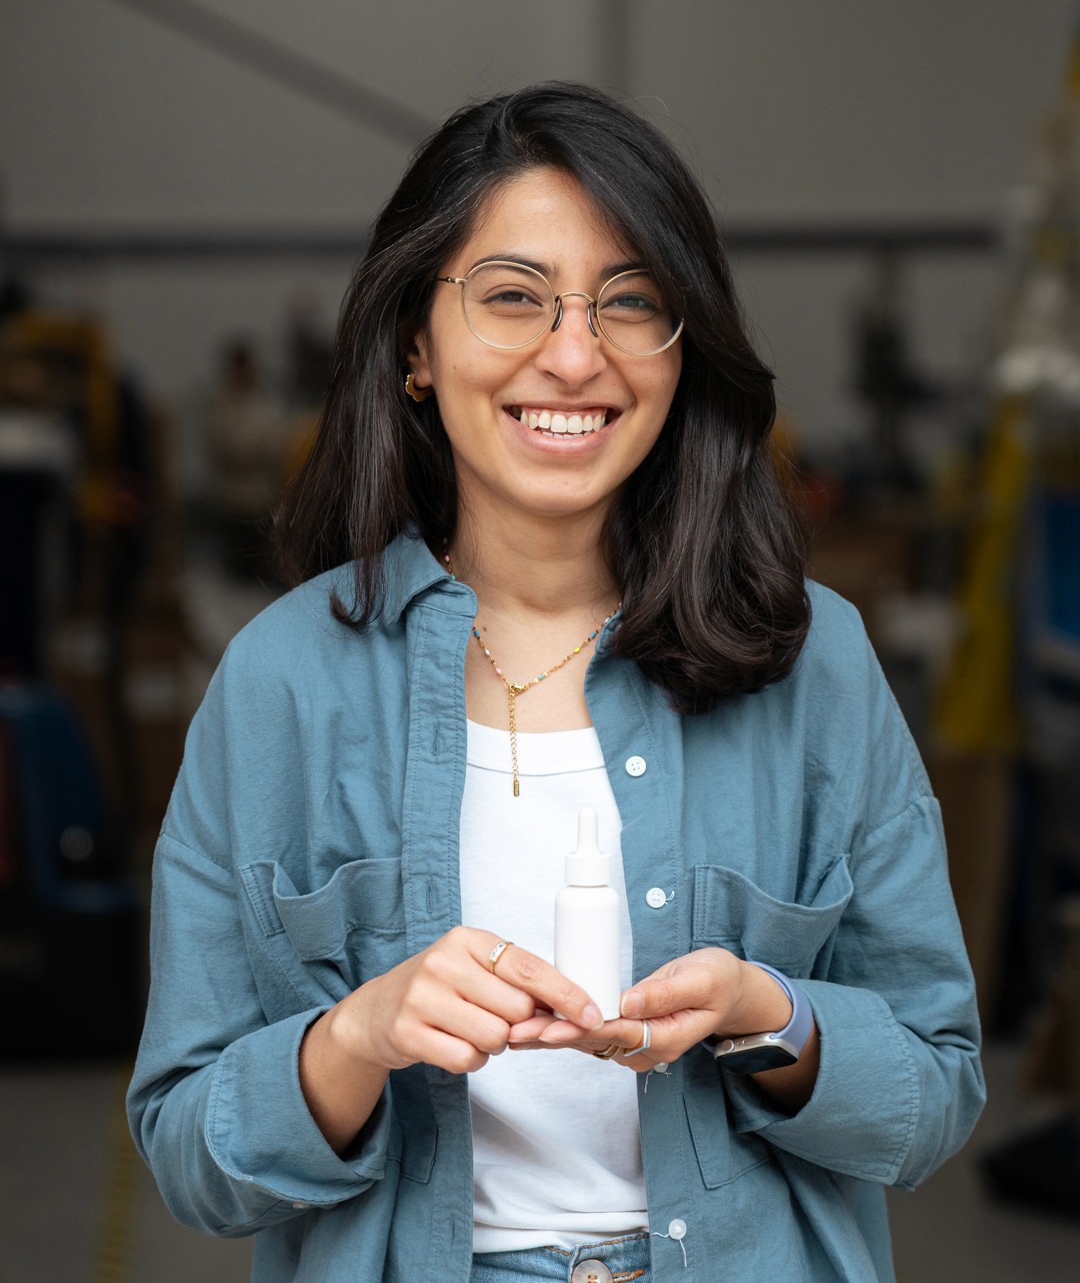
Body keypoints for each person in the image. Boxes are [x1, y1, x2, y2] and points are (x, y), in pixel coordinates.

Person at [127, 82, 984, 1283]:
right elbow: (187, 1153)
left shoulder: (812, 661)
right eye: (513, 298)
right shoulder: (283, 685)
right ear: (415, 347)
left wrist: (766, 1015)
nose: (575, 356)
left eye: (632, 303)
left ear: (684, 354)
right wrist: (359, 1035)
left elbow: (937, 1094)